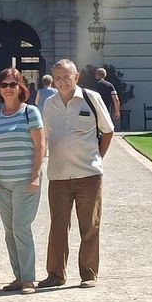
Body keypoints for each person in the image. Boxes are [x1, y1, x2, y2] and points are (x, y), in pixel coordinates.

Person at [39, 59, 113, 289]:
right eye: (58, 77)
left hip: (88, 174)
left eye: (66, 77)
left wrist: (97, 158)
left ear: (76, 77)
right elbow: (43, 136)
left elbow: (108, 131)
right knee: (58, 227)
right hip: (59, 175)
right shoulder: (49, 104)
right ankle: (55, 275)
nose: (62, 81)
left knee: (89, 225)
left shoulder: (91, 98)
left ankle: (89, 274)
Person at [0, 68, 45, 294]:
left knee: (21, 228)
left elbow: (40, 147)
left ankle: (28, 278)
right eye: (4, 85)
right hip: (3, 182)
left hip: (25, 181)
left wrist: (35, 175)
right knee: (9, 231)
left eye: (13, 84)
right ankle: (18, 276)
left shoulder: (31, 112)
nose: (8, 88)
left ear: (21, 88)